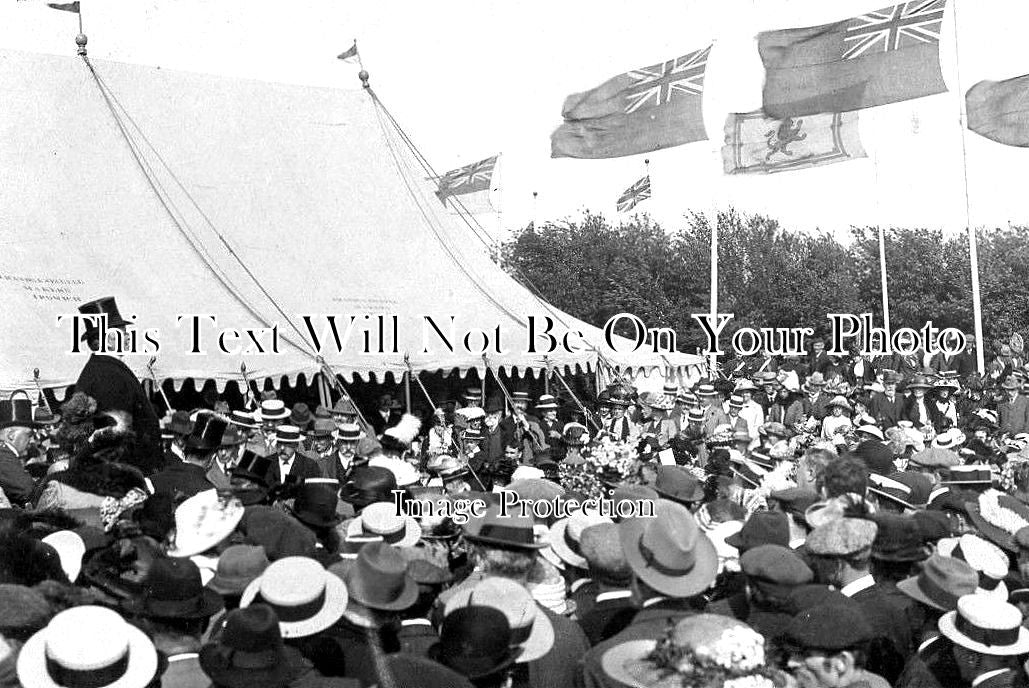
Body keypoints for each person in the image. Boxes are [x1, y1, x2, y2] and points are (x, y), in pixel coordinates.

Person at [73, 296, 162, 472]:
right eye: (122, 333)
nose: (128, 337)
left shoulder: (105, 369)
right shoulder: (107, 375)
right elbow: (115, 435)